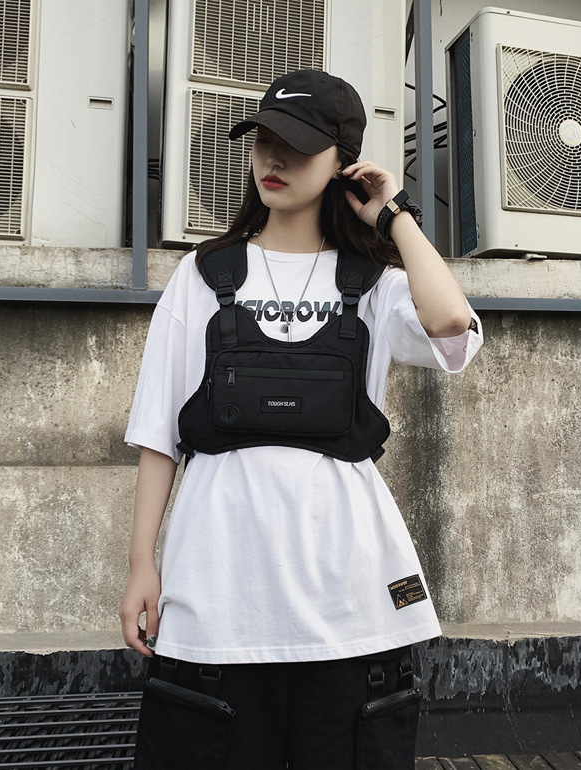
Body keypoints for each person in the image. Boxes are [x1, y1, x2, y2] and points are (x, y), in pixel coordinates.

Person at [120, 69, 483, 770]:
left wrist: (395, 216)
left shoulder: (376, 283)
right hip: (218, 593)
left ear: (344, 163)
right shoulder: (202, 275)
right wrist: (142, 562)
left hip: (349, 599)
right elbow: (158, 432)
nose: (274, 159)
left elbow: (449, 325)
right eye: (263, 141)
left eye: (297, 146)